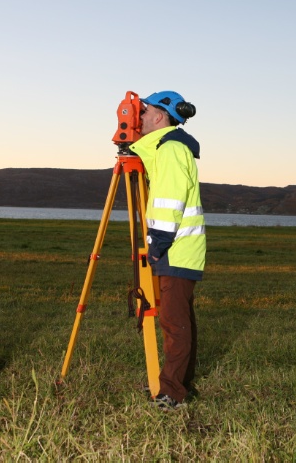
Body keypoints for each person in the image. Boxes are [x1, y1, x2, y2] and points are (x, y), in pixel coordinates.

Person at [129, 90, 206, 411]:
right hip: (180, 249)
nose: (140, 117)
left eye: (145, 112)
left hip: (176, 248)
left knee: (174, 324)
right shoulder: (166, 148)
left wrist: (157, 243)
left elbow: (169, 200)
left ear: (160, 117)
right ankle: (181, 384)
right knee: (181, 320)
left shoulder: (171, 149)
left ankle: (171, 393)